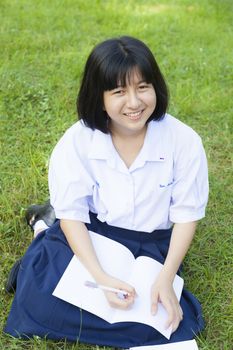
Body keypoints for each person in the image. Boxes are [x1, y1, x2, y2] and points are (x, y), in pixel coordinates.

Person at [4, 36, 209, 348]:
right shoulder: (77, 141)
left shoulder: (184, 141)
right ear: (98, 97)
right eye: (119, 91)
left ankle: (44, 228)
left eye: (143, 87)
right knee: (39, 301)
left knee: (168, 323)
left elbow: (186, 215)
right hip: (95, 233)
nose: (134, 102)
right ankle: (45, 229)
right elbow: (73, 216)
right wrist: (101, 277)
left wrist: (166, 277)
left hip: (152, 245)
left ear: (156, 87)